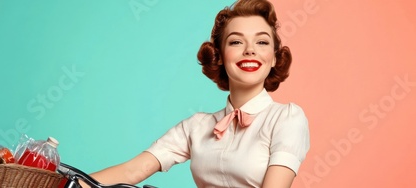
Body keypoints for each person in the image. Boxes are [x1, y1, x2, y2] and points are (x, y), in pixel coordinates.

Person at [82, 0, 310, 187]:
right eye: (236, 41)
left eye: (261, 42)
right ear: (219, 56)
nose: (250, 49)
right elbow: (133, 170)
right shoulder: (197, 126)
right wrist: (69, 183)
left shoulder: (287, 118)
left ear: (273, 58)